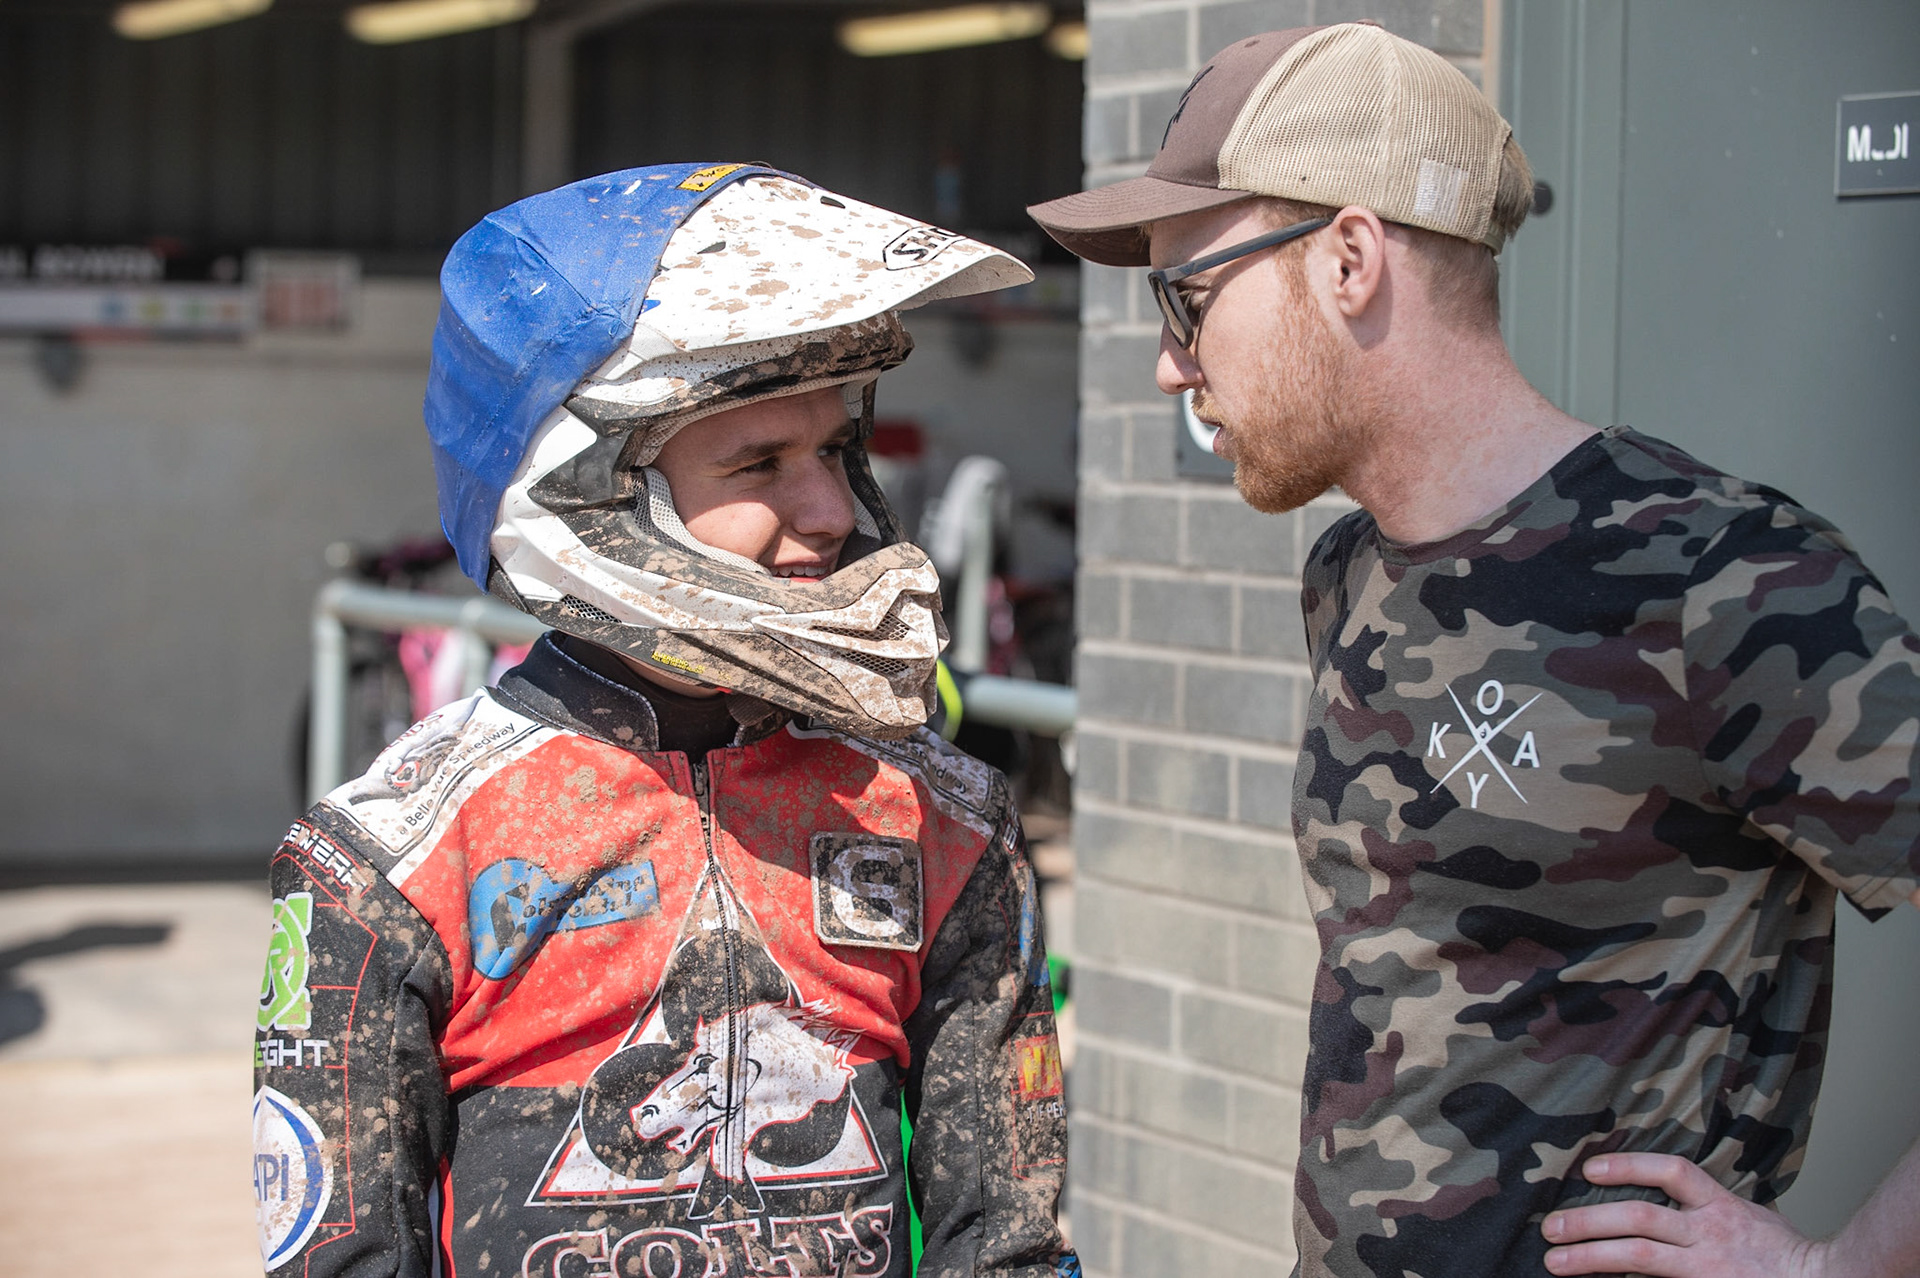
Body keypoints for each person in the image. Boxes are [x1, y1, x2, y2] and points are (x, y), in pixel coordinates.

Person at [1029, 20, 1920, 1278]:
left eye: (1188, 296)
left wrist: (1831, 1267)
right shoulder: (1349, 576)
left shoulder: (1723, 579)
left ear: (1348, 260)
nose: (1172, 363)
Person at [252, 162, 1078, 1278]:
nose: (832, 509)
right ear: (587, 491)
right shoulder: (392, 859)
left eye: (837, 448)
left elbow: (1011, 1247)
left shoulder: (946, 819)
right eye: (760, 462)